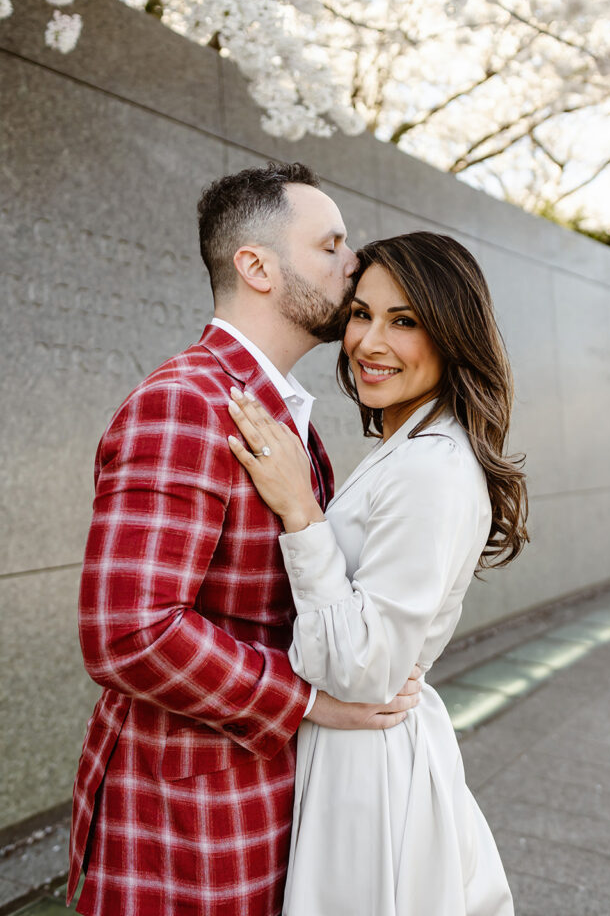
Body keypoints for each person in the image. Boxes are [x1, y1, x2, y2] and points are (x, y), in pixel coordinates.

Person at [67, 163, 423, 916]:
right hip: (185, 822)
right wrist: (310, 701)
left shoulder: (282, 412)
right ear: (256, 267)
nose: (352, 263)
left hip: (258, 797)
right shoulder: (185, 404)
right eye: (330, 246)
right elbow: (127, 633)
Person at [228, 230, 529, 916]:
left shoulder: (432, 466)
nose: (369, 342)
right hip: (361, 748)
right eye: (361, 314)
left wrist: (300, 511)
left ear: (453, 335)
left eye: (405, 322)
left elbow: (362, 668)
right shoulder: (411, 445)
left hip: (365, 766)